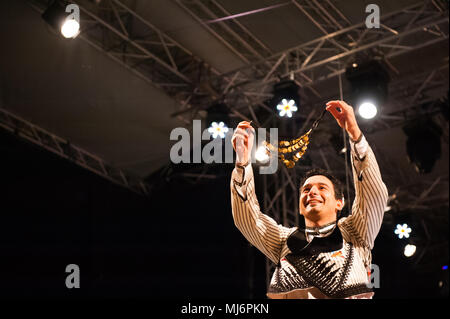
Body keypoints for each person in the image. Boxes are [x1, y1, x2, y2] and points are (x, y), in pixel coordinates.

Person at [230, 100, 388, 299]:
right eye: (306, 190)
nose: (311, 192)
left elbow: (373, 194)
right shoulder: (283, 241)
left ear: (339, 203)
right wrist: (242, 163)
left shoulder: (355, 232)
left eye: (322, 188)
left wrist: (356, 136)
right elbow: (247, 219)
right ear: (299, 207)